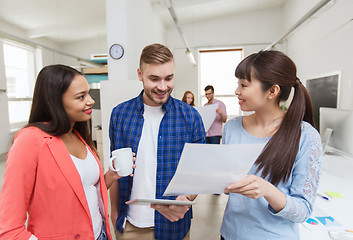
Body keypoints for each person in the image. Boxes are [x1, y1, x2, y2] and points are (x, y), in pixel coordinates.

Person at [0, 64, 129, 240]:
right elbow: (9, 229)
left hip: (99, 234)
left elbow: (82, 190)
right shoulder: (29, 140)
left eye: (88, 93)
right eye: (81, 97)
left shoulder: (76, 133)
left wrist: (110, 176)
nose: (91, 101)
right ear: (55, 102)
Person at [220, 50, 323, 240]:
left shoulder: (306, 136)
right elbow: (227, 183)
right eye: (238, 84)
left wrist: (267, 190)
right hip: (229, 234)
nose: (237, 91)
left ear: (272, 91)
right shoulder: (232, 128)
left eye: (244, 85)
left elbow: (303, 211)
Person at [109, 43, 206, 240]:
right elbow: (116, 170)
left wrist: (187, 197)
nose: (163, 87)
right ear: (140, 74)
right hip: (130, 225)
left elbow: (200, 172)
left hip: (174, 224)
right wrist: (114, 213)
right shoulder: (120, 115)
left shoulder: (190, 116)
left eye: (168, 78)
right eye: (154, 79)